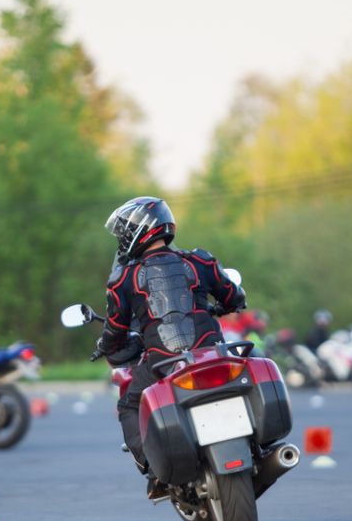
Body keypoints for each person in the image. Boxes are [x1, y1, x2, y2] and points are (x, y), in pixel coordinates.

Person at [96, 196, 246, 498]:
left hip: (163, 364)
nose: (122, 239)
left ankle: (154, 472)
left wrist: (105, 345)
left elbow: (116, 327)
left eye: (124, 232)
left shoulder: (124, 278)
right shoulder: (200, 261)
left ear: (139, 231)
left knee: (129, 403)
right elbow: (233, 296)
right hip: (212, 353)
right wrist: (218, 306)